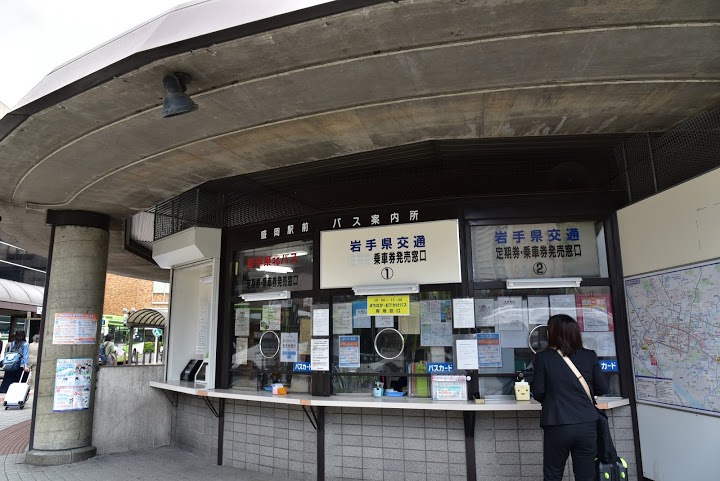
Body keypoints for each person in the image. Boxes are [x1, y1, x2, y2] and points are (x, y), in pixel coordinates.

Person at [531, 314, 609, 481]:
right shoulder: (589, 355)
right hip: (587, 423)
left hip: (557, 422)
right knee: (586, 475)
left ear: (552, 334)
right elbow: (602, 387)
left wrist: (553, 400)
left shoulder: (543, 358)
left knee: (553, 474)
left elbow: (538, 391)